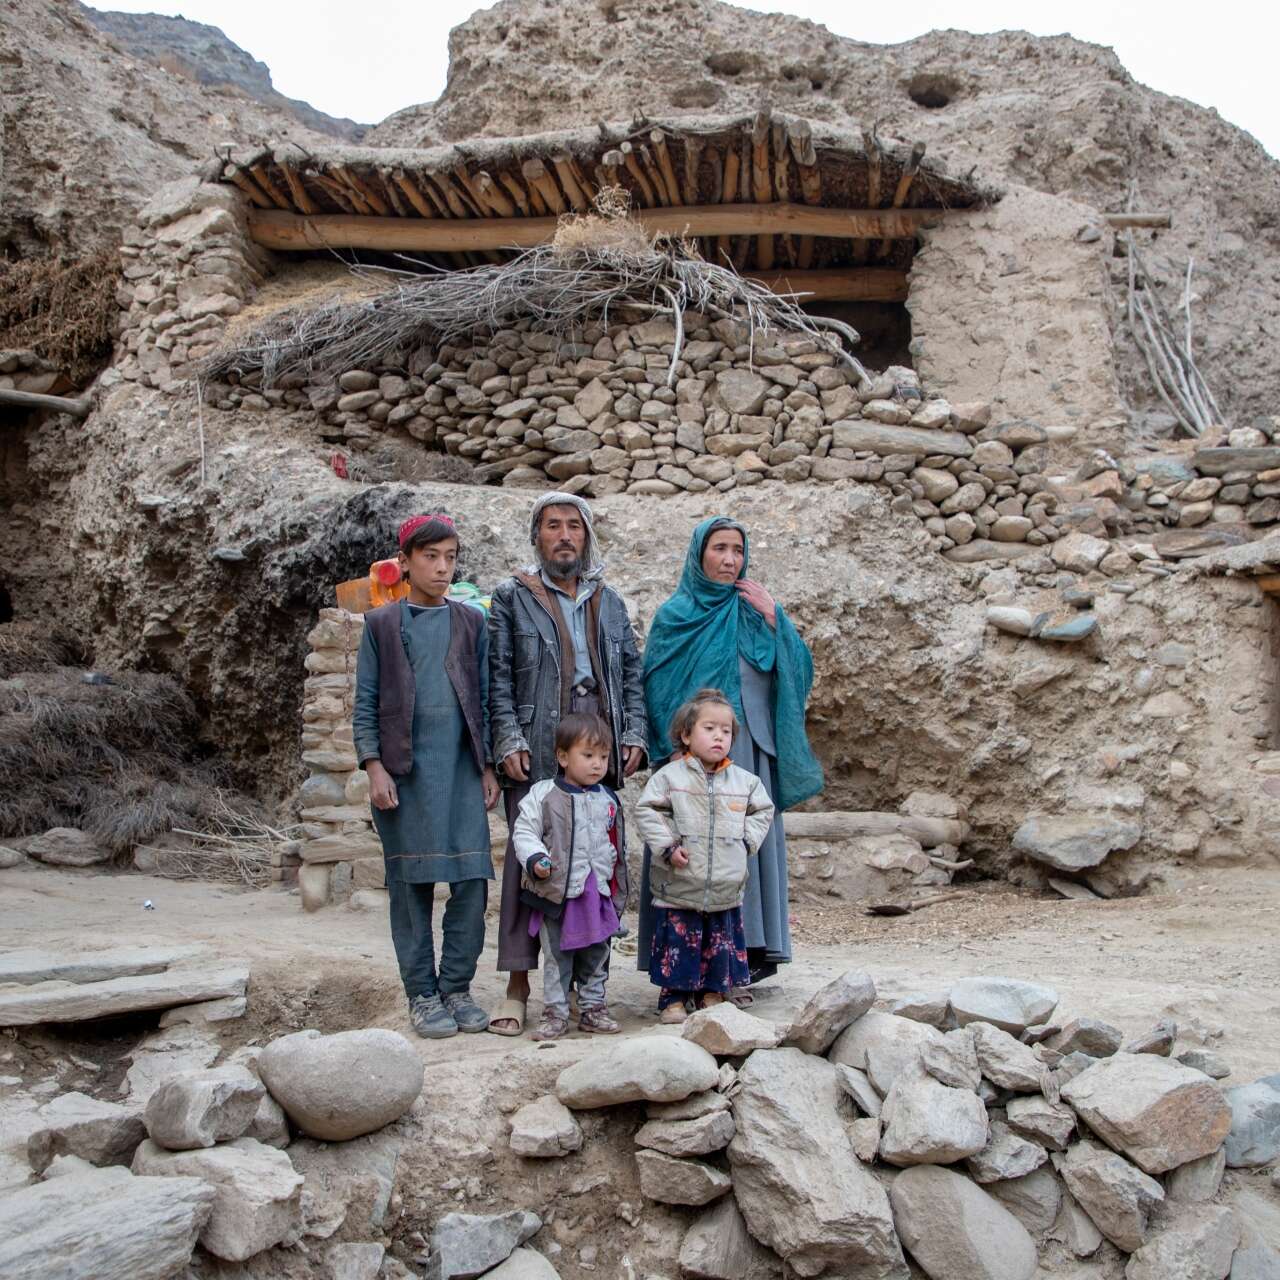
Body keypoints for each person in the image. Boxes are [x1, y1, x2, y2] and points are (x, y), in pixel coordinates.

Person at [638, 516, 823, 1004]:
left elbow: (799, 673)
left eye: (737, 550)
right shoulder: (676, 616)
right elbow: (657, 687)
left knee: (743, 856)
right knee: (692, 864)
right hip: (691, 765)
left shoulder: (755, 612)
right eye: (719, 548)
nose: (729, 559)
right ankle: (684, 976)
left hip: (750, 760)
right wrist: (674, 745)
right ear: (699, 555)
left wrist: (775, 619)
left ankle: (740, 963)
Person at [487, 492, 647, 1035]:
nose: (564, 536)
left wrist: (632, 733)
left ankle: (583, 991)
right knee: (529, 864)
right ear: (537, 537)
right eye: (552, 526)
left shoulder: (611, 601)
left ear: (587, 537)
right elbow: (499, 675)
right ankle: (518, 986)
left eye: (573, 527)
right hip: (539, 738)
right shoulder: (512, 597)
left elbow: (630, 674)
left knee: (593, 864)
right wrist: (507, 738)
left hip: (594, 739)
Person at [352, 513, 500, 1040]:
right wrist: (374, 766)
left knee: (471, 882)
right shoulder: (381, 626)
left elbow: (482, 698)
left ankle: (456, 986)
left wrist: (486, 766)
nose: (442, 568)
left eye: (450, 557)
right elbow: (366, 701)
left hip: (461, 769)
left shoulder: (471, 622)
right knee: (409, 887)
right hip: (404, 773)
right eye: (431, 557)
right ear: (406, 562)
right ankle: (421, 994)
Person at [636, 689, 775, 1021]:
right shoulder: (669, 778)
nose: (719, 737)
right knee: (677, 942)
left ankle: (711, 993)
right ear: (686, 734)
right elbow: (648, 811)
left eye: (726, 731)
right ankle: (673, 998)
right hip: (681, 883)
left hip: (725, 886)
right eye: (709, 729)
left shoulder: (745, 782)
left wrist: (745, 842)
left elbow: (762, 812)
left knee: (719, 942)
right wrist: (668, 846)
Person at [511, 711, 629, 1041]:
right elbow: (524, 830)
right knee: (557, 956)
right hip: (558, 894)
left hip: (597, 892)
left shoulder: (608, 799)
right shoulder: (544, 794)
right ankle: (555, 1013)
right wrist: (535, 858)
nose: (597, 764)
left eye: (603, 757)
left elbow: (617, 844)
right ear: (563, 757)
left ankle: (592, 1008)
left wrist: (617, 887)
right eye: (588, 755)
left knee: (597, 952)